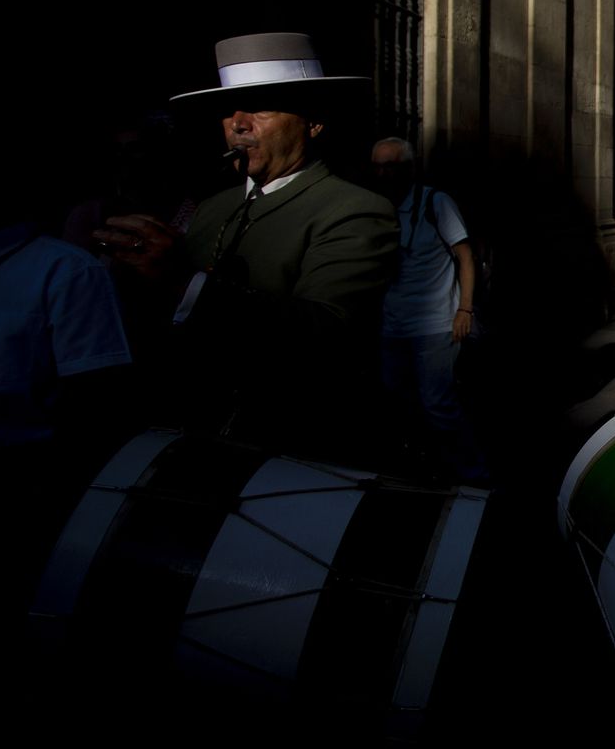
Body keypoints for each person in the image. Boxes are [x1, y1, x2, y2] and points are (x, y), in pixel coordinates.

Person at [94, 32, 399, 461]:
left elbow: (327, 336)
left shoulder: (355, 209)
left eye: (260, 108)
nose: (237, 124)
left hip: (288, 449)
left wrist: (184, 283)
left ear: (313, 122)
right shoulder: (214, 207)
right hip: (191, 437)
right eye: (228, 111)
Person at [369, 137, 489, 482]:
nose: (382, 174)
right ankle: (422, 468)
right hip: (392, 327)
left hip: (435, 325)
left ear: (409, 168)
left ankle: (473, 476)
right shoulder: (375, 207)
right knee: (399, 402)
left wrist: (464, 310)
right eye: (377, 167)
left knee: (438, 404)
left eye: (390, 166)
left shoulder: (435, 202)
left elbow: (465, 257)